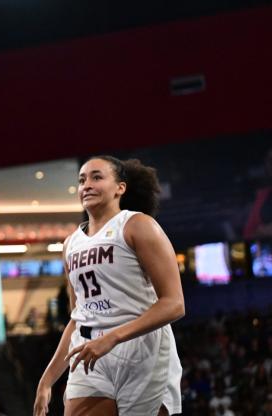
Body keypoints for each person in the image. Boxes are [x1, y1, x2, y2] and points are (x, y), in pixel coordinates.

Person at [34, 156, 184, 416]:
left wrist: (112, 338)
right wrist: (47, 380)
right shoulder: (71, 244)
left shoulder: (138, 225)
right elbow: (77, 318)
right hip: (90, 348)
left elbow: (174, 304)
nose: (86, 185)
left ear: (120, 188)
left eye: (96, 177)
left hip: (141, 348)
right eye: (82, 180)